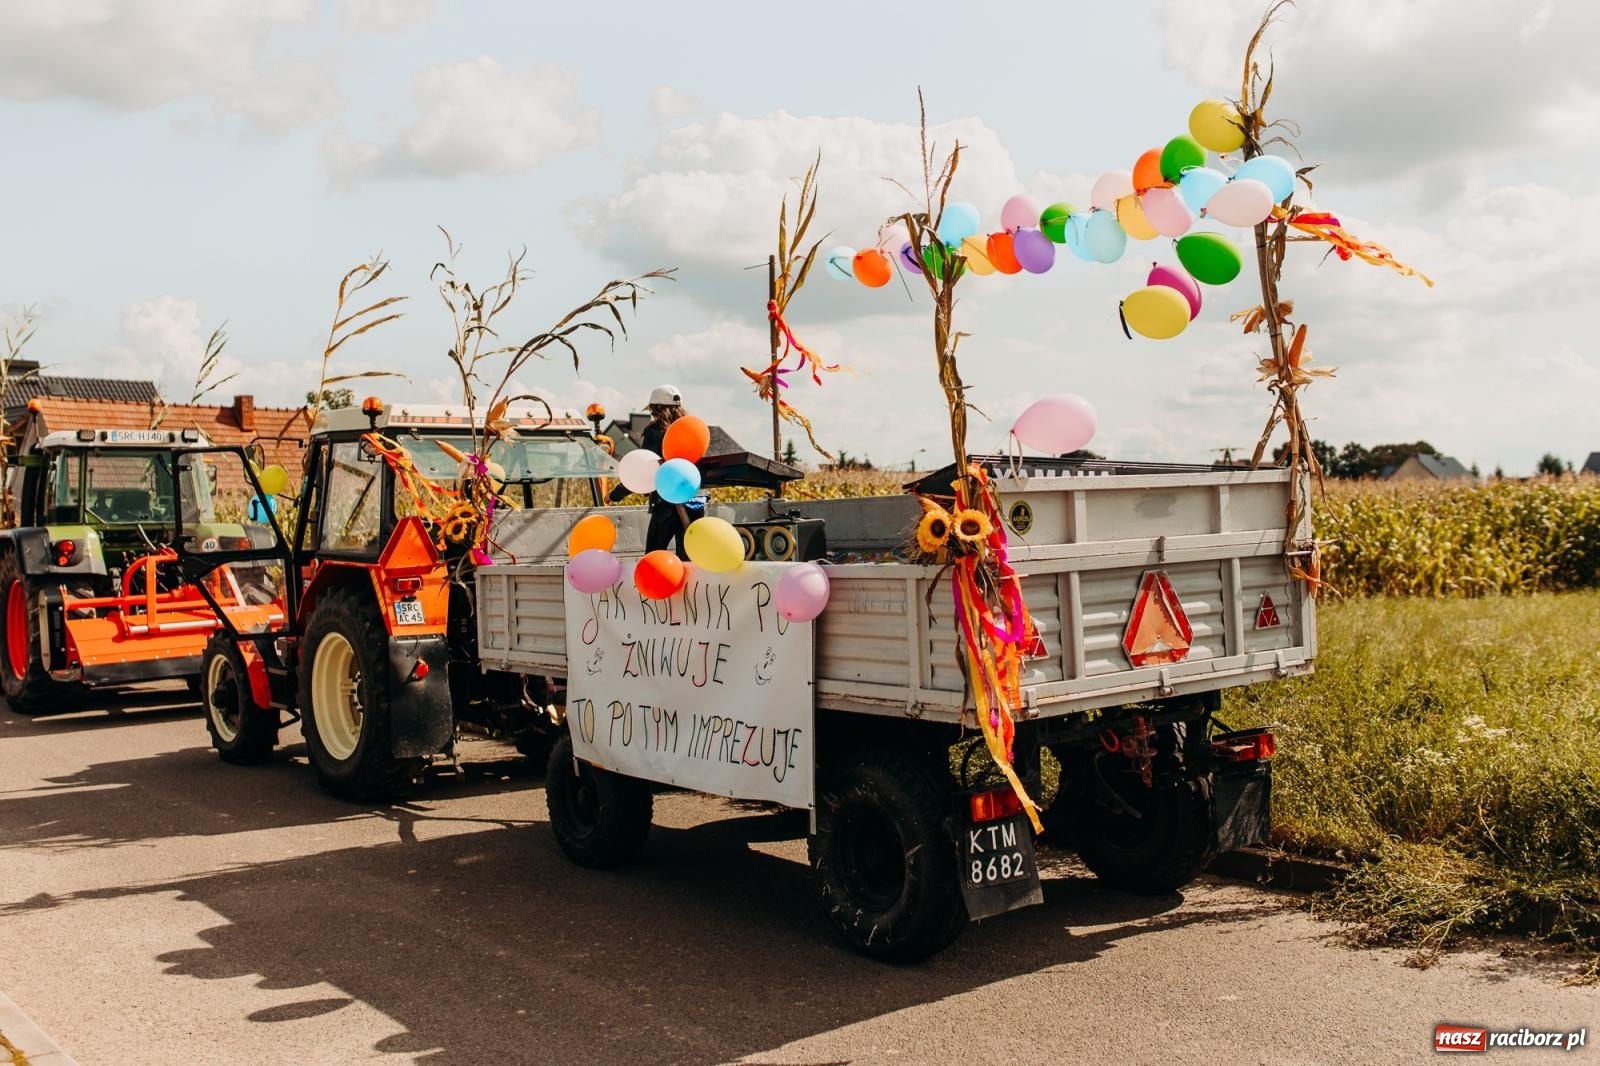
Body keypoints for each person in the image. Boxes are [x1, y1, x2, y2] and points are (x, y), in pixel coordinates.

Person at [610, 384, 702, 558]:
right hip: (694, 502)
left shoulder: (656, 431)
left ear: (657, 408)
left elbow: (646, 469)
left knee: (653, 557)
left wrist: (615, 495)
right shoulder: (690, 430)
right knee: (689, 561)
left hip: (667, 504)